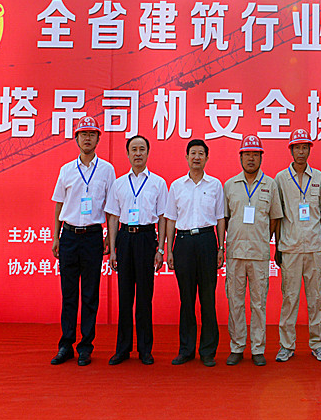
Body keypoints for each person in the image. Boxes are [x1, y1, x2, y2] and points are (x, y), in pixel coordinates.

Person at [49, 115, 116, 366]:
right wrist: (56, 237)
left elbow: (111, 208)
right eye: (83, 134)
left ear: (98, 139)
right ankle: (65, 345)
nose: (87, 138)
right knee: (69, 294)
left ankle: (86, 346)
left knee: (90, 294)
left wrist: (110, 237)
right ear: (76, 139)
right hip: (68, 236)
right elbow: (59, 204)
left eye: (92, 134)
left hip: (93, 237)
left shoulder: (107, 170)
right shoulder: (66, 169)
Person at [105, 135, 168, 366]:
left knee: (144, 296)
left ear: (148, 153)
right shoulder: (119, 183)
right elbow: (113, 217)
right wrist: (113, 249)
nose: (138, 153)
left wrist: (160, 249)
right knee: (125, 297)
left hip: (146, 238)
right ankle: (122, 349)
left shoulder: (158, 183)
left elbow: (163, 217)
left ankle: (145, 349)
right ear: (128, 154)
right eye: (134, 149)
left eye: (142, 149)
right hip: (124, 238)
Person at [165, 139, 226, 367]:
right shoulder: (177, 186)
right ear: (186, 157)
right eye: (193, 153)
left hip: (207, 241)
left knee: (208, 299)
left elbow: (220, 218)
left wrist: (221, 247)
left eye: (201, 153)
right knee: (187, 299)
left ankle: (208, 351)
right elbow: (171, 219)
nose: (197, 157)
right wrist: (169, 250)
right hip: (183, 243)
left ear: (207, 158)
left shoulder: (215, 185)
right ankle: (186, 349)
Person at [223, 134, 283, 366]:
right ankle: (237, 347)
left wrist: (263, 238)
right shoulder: (230, 185)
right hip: (236, 253)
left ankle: (258, 348)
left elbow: (275, 218)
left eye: (255, 154)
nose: (251, 158)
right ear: (240, 157)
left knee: (258, 304)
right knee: (235, 302)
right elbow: (225, 218)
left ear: (261, 157)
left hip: (259, 254)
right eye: (247, 154)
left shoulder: (270, 185)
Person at [274, 128, 321, 363]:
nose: (301, 152)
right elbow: (277, 216)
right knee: (290, 298)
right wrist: (278, 247)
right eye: (297, 147)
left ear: (309, 150)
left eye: (305, 147)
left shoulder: (318, 178)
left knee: (316, 298)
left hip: (315, 247)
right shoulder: (280, 179)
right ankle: (286, 345)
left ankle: (318, 344)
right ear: (291, 150)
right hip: (290, 247)